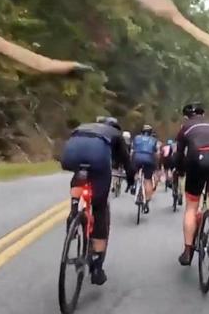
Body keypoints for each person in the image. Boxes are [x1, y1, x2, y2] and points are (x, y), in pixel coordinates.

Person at [61, 116, 134, 285]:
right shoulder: (115, 134)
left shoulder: (84, 125)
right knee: (100, 208)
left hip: (70, 154)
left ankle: (74, 208)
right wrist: (130, 180)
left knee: (79, 174)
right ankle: (97, 268)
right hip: (97, 158)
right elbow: (126, 162)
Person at [175, 102, 209, 266]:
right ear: (202, 115)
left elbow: (179, 154)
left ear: (186, 117)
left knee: (192, 206)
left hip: (198, 159)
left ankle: (187, 251)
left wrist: (181, 170)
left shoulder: (185, 127)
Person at [131, 124, 158, 213]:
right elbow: (155, 152)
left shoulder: (136, 138)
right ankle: (146, 201)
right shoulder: (154, 140)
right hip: (149, 160)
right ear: (151, 133)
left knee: (135, 172)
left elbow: (133, 150)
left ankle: (134, 185)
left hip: (137, 158)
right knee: (147, 180)